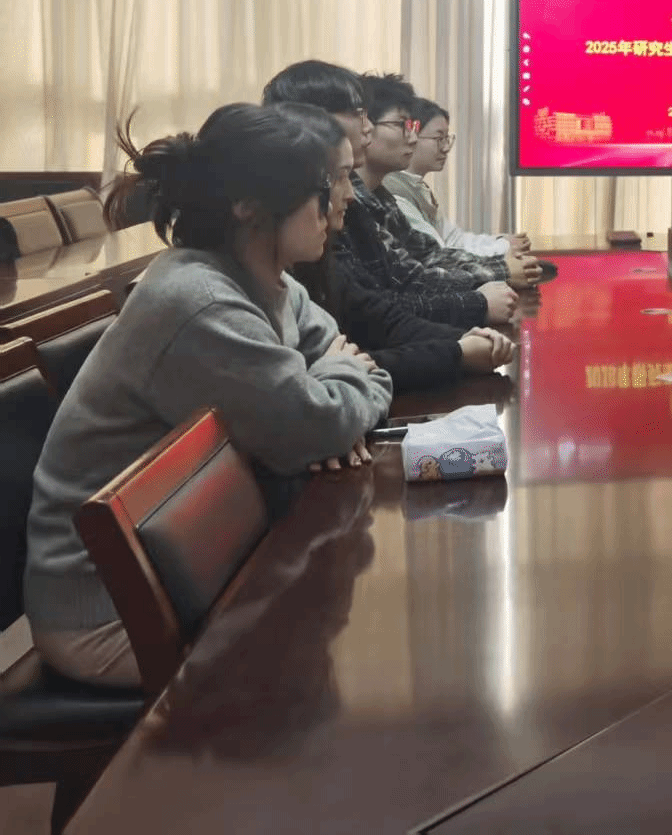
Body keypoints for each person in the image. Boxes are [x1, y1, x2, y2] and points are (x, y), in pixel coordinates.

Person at [24, 104, 394, 688]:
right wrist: (328, 400)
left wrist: (327, 398)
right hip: (112, 616)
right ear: (249, 205)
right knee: (345, 649)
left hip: (185, 570)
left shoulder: (268, 280)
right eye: (320, 190)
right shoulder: (199, 301)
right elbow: (317, 423)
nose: (336, 205)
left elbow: (348, 375)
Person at [277, 103, 516, 392]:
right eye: (357, 114)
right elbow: (326, 390)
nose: (366, 126)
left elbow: (378, 315)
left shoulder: (294, 277)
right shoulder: (246, 297)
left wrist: (461, 340)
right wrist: (460, 343)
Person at [261, 61, 518, 328]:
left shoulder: (371, 198)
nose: (367, 127)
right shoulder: (323, 210)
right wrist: (482, 299)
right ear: (312, 118)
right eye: (358, 114)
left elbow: (410, 269)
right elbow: (370, 313)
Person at [385, 97, 531, 258]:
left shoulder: (415, 186)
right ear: (410, 136)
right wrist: (504, 248)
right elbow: (440, 254)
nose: (446, 148)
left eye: (447, 138)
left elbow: (453, 239)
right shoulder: (395, 194)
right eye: (439, 139)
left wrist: (503, 242)